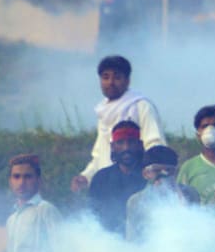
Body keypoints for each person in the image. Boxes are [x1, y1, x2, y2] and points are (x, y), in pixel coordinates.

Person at [71, 55, 165, 192]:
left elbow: (155, 145)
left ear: (127, 81)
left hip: (137, 182)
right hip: (108, 184)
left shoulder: (141, 106)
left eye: (117, 77)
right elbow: (99, 155)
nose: (111, 82)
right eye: (105, 77)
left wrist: (154, 176)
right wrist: (86, 176)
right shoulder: (103, 111)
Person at [4, 154, 60, 252]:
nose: (21, 182)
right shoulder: (12, 220)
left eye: (27, 177)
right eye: (16, 177)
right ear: (10, 181)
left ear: (38, 181)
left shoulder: (46, 210)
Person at [125, 145, 200, 241]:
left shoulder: (189, 194)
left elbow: (196, 231)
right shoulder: (136, 201)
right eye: (157, 171)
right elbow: (132, 239)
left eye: (168, 170)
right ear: (145, 174)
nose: (163, 175)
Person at [86, 120, 145, 235]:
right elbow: (93, 216)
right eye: (120, 143)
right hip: (110, 244)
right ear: (113, 147)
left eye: (131, 142)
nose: (126, 148)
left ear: (140, 145)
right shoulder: (101, 179)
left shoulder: (149, 177)